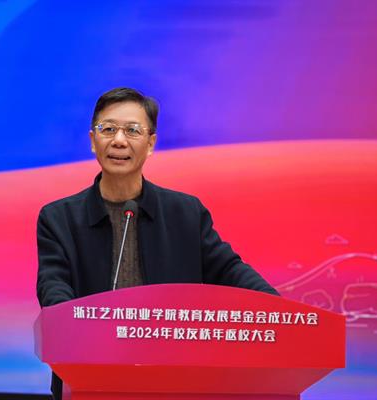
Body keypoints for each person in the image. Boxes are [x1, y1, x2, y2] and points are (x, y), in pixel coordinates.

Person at [36, 87, 278, 399]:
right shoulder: (59, 218)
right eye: (108, 129)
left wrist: (281, 311)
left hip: (174, 380)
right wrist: (71, 325)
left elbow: (230, 270)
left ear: (150, 144)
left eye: (132, 131)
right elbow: (53, 286)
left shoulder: (185, 213)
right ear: (93, 140)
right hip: (88, 379)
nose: (119, 140)